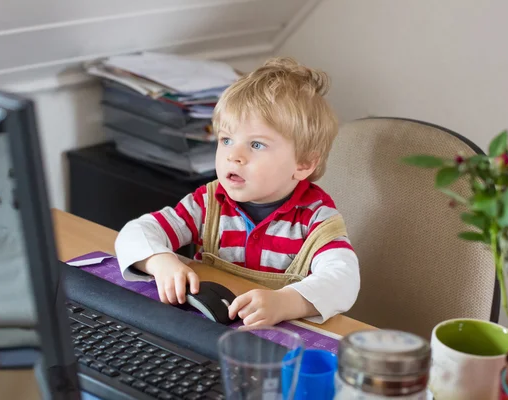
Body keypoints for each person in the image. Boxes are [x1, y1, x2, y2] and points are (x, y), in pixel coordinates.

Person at [115, 57, 360, 326]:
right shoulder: (208, 204)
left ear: (304, 164)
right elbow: (137, 231)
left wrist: (287, 302)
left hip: (275, 338)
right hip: (207, 327)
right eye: (227, 140)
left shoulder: (316, 221)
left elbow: (344, 279)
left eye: (256, 145)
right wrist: (159, 261)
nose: (234, 156)